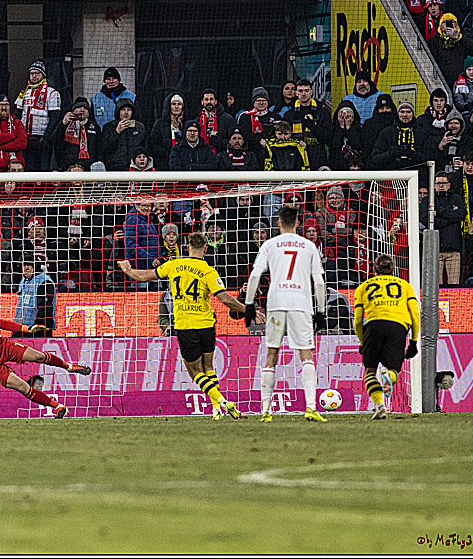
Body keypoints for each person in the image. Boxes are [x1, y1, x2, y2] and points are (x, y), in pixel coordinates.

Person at [118, 233, 258, 420]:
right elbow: (225, 299)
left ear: (187, 248)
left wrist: (128, 270)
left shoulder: (173, 265)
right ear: (206, 249)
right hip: (207, 325)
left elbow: (144, 276)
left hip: (186, 326)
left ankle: (223, 402)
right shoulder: (209, 271)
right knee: (209, 367)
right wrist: (250, 311)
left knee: (195, 372)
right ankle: (216, 410)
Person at [244, 205, 328, 422]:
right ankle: (311, 407)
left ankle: (266, 411)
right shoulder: (308, 246)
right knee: (306, 353)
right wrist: (320, 311)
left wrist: (250, 304)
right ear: (298, 223)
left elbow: (255, 275)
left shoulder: (269, 244)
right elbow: (319, 281)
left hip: (276, 302)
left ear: (278, 223)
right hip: (301, 302)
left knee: (272, 353)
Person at [353, 254, 420, 420]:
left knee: (369, 371)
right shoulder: (404, 285)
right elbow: (416, 314)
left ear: (374, 269)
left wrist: (363, 341)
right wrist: (413, 341)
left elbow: (357, 320)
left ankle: (380, 406)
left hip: (374, 325)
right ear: (393, 268)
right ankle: (388, 377)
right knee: (394, 370)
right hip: (398, 327)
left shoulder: (363, 287)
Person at [14, 60, 62, 172]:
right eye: (32, 73)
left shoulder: (52, 93)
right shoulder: (24, 92)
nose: (34, 76)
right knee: (28, 169)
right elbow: (18, 114)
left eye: (37, 73)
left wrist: (46, 137)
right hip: (27, 139)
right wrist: (19, 134)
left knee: (43, 170)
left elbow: (55, 117)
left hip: (43, 140)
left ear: (43, 75)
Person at [420, 173, 466, 285]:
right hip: (434, 250)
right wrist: (450, 218)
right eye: (438, 183)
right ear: (434, 185)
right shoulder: (428, 200)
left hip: (454, 249)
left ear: (449, 185)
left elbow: (461, 214)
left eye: (444, 183)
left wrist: (439, 212)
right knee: (435, 285)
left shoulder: (456, 198)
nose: (441, 186)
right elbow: (424, 219)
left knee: (454, 284)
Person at [429, 13, 473, 87]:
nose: (449, 25)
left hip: (461, 81)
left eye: (452, 22)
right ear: (440, 25)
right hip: (442, 80)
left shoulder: (463, 37)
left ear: (456, 25)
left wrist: (458, 37)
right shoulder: (433, 41)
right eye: (445, 22)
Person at [100, 99, 146, 171]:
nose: (126, 112)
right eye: (123, 109)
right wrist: (117, 132)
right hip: (114, 168)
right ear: (118, 111)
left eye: (129, 110)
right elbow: (104, 148)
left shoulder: (140, 127)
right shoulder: (109, 127)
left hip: (135, 168)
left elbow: (145, 147)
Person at [13, 260, 57, 332]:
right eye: (24, 265)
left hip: (37, 328)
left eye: (29, 265)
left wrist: (39, 326)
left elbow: (46, 307)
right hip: (22, 326)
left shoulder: (44, 281)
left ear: (35, 266)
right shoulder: (23, 281)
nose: (26, 267)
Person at [237, 87, 279, 152]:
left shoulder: (275, 116)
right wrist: (259, 139)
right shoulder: (245, 117)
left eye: (264, 100)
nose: (261, 103)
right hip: (251, 152)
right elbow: (244, 135)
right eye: (258, 100)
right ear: (253, 102)